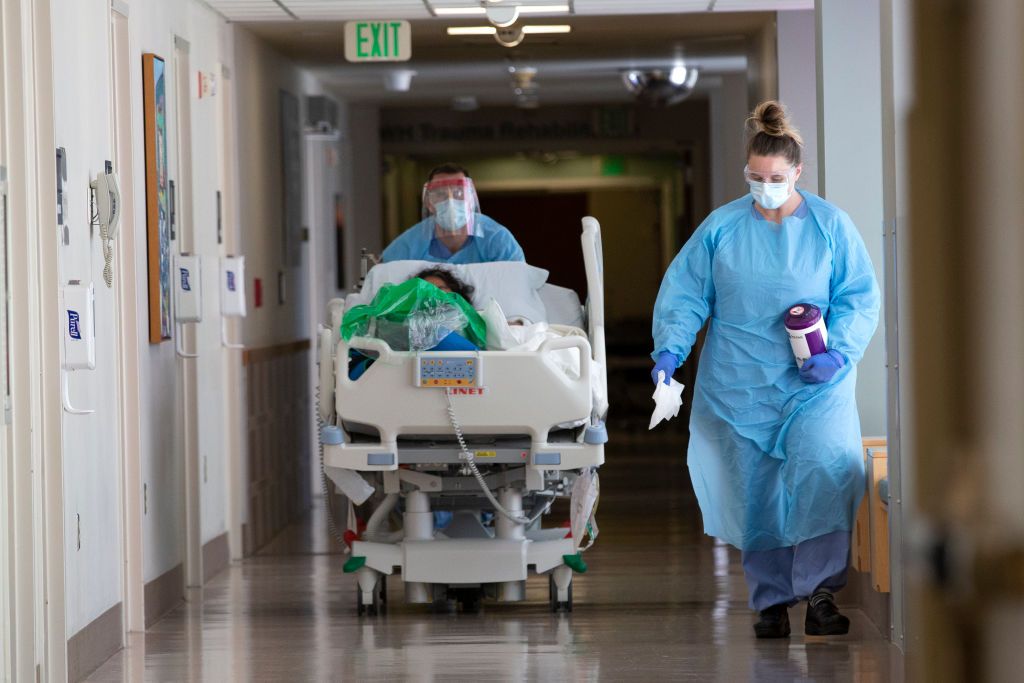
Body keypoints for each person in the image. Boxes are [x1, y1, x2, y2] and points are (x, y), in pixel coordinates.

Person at [650, 101, 880, 639]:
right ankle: (770, 601)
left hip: (815, 382)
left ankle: (822, 595)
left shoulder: (830, 226)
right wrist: (670, 351)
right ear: (746, 173)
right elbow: (685, 295)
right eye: (756, 178)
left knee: (824, 474)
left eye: (776, 178)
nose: (766, 187)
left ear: (797, 172)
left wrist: (838, 352)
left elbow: (859, 298)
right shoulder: (721, 229)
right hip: (739, 383)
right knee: (755, 491)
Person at [381, 163, 525, 264]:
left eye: (458, 192)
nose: (450, 201)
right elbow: (383, 281)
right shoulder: (410, 244)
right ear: (429, 203)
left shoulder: (496, 239)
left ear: (471, 198)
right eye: (440, 193)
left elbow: (517, 285)